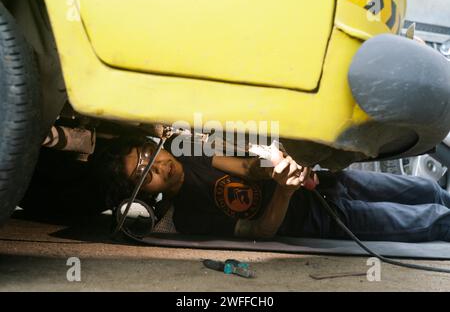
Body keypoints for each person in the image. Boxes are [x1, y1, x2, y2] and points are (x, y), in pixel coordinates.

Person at [98, 136, 450, 242]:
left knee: (426, 191)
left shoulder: (191, 157)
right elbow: (260, 231)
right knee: (431, 221)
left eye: (148, 155)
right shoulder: (189, 218)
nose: (157, 165)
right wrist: (284, 192)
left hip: (329, 182)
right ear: (144, 193)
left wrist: (277, 165)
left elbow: (247, 167)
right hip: (321, 218)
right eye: (145, 175)